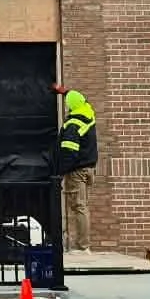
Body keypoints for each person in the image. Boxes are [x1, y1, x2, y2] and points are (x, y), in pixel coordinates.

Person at [53, 85, 99, 253]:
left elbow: (69, 153)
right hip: (89, 168)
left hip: (77, 171)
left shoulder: (73, 125)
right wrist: (61, 90)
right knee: (83, 206)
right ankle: (83, 245)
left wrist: (60, 172)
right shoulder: (88, 113)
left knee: (78, 207)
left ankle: (82, 247)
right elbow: (79, 98)